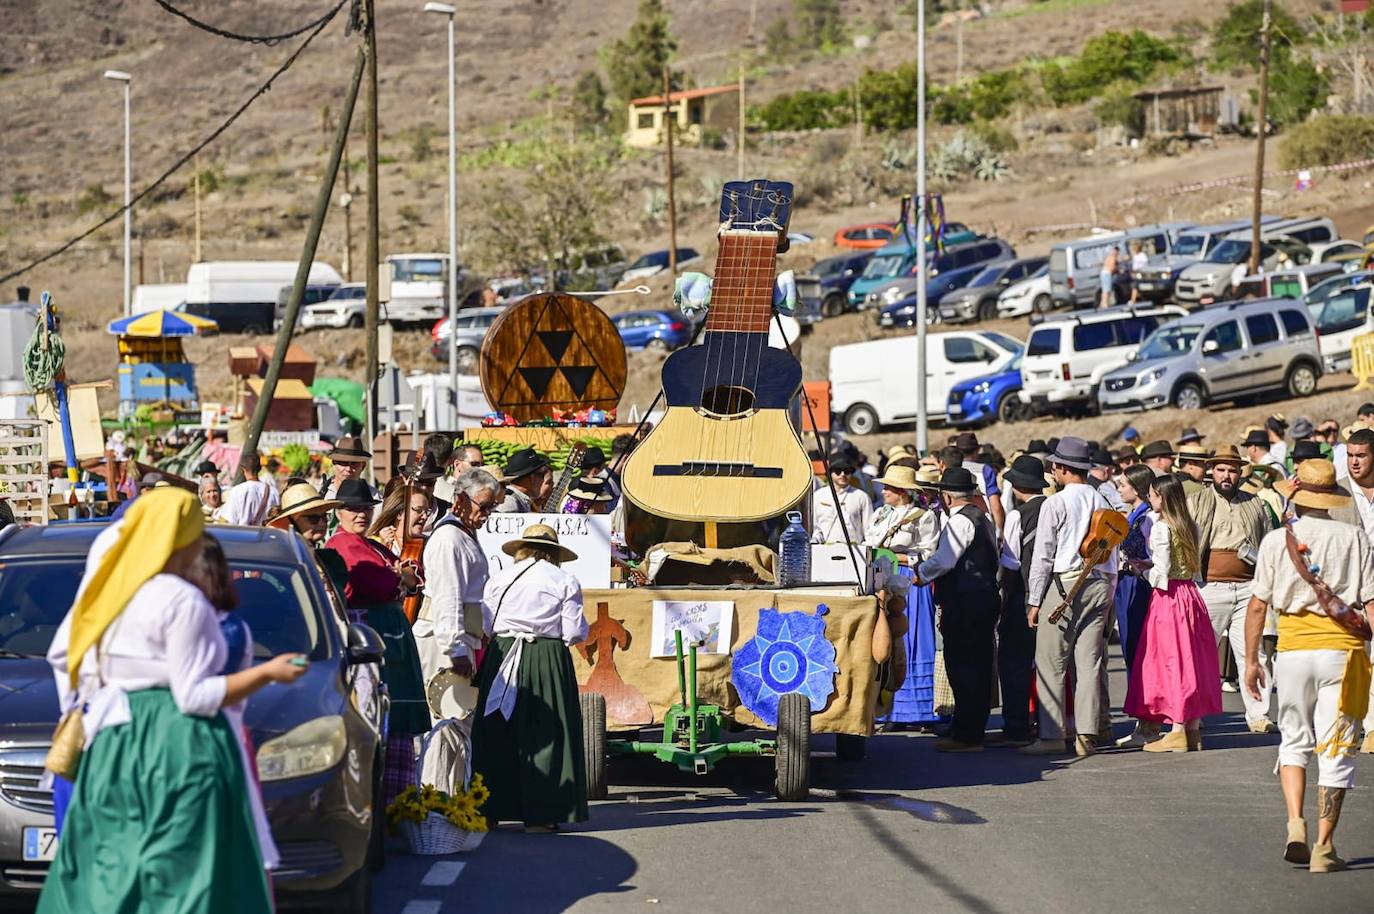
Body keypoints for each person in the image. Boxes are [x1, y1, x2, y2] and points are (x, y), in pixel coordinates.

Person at [39, 489, 307, 914]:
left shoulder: (110, 594)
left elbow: (71, 662)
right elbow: (194, 695)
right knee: (188, 880)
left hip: (112, 745)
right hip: (179, 747)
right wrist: (268, 673)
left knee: (111, 875)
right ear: (180, 539)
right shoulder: (182, 601)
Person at [1246, 458, 1374, 872]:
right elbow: (1370, 602)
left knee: (1295, 739)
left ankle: (1295, 822)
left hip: (1293, 649)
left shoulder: (1274, 541)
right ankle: (1323, 846)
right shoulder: (1354, 537)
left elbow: (1257, 606)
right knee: (1337, 746)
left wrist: (1250, 660)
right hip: (1344, 652)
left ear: (1297, 496)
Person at [471, 524, 590, 830]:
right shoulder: (564, 579)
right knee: (546, 730)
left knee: (497, 730)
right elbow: (574, 631)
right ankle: (541, 815)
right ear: (554, 553)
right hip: (546, 656)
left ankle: (489, 808)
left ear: (521, 549)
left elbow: (487, 624)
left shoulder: (499, 579)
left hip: (502, 652)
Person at [177, 535, 279, 873]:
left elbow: (193, 693)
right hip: (230, 736)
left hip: (203, 740)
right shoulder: (235, 627)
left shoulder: (201, 623)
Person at [326, 479, 429, 805]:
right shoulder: (343, 543)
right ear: (339, 512)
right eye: (353, 509)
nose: (360, 514)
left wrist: (401, 576)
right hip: (372, 640)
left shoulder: (368, 543)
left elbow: (412, 575)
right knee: (382, 723)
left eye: (366, 508)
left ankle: (397, 805)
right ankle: (385, 806)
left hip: (388, 637)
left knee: (394, 727)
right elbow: (375, 579)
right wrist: (399, 578)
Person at [1021, 437, 1119, 758]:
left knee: (1051, 663)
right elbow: (1112, 553)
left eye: (1055, 466)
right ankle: (1087, 734)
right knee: (1089, 662)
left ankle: (1051, 735)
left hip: (1065, 584)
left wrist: (1034, 600)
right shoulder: (1104, 500)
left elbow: (1043, 556)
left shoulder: (1056, 503)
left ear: (1063, 469)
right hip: (1100, 582)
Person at [1124, 475, 1223, 752]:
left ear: (1163, 498)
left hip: (1168, 600)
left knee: (1170, 660)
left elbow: (1162, 573)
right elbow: (1193, 570)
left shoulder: (1161, 528)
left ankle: (1177, 728)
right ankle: (1192, 729)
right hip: (1190, 595)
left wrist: (1142, 569)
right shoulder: (1192, 526)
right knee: (1190, 660)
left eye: (1154, 495)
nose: (1151, 499)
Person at [1188, 446, 1278, 733]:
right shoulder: (1196, 501)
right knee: (1200, 654)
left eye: (1233, 470)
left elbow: (1267, 543)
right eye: (1222, 469)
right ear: (1212, 471)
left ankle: (1259, 716)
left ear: (1240, 473)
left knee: (1253, 654)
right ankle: (1192, 715)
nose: (1227, 475)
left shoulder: (1255, 504)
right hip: (1208, 587)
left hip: (1247, 588)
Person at [914, 468, 1001, 752]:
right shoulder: (983, 519)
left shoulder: (959, 522)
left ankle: (967, 734)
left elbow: (944, 560)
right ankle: (970, 725)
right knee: (977, 664)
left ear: (947, 497)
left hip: (965, 600)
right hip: (983, 596)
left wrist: (919, 574)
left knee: (963, 666)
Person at [416, 469, 501, 717]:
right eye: (483, 506)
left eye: (491, 508)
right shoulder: (448, 539)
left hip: (462, 640)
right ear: (462, 499)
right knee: (446, 723)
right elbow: (447, 597)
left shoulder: (464, 534)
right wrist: (456, 650)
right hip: (443, 643)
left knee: (459, 724)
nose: (486, 515)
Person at [878, 468, 945, 730]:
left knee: (913, 639)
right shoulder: (881, 514)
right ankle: (889, 710)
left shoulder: (924, 517)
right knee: (887, 640)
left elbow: (930, 553)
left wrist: (900, 558)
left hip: (912, 582)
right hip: (885, 577)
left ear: (902, 492)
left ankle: (920, 710)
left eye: (889, 488)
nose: (883, 492)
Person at [996, 455, 1053, 747]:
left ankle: (1017, 725)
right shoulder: (1054, 507)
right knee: (1052, 664)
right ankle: (1053, 725)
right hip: (1054, 592)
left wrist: (1002, 594)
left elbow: (1010, 561)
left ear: (1017, 485)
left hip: (1023, 593)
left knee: (1014, 662)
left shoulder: (1018, 515)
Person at [268, 483, 348, 597]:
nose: (321, 523)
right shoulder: (279, 564)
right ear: (290, 522)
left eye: (324, 517)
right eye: (313, 518)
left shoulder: (332, 561)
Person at [812, 458, 873, 545]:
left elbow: (869, 530)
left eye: (847, 471)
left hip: (855, 550)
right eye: (838, 471)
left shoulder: (862, 497)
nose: (842, 474)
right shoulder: (818, 495)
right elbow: (815, 527)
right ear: (830, 474)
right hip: (825, 549)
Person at [955, 432, 1005, 533]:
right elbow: (995, 505)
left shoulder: (952, 470)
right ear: (977, 450)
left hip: (957, 524)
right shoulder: (985, 470)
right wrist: (1001, 531)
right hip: (984, 525)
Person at [496, 448, 552, 514]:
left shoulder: (521, 500)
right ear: (532, 478)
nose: (543, 481)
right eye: (541, 475)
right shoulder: (510, 503)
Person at [322, 436, 374, 500]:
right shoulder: (320, 495)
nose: (349, 469)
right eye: (344, 463)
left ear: (363, 466)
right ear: (334, 464)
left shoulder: (374, 496)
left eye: (354, 463)